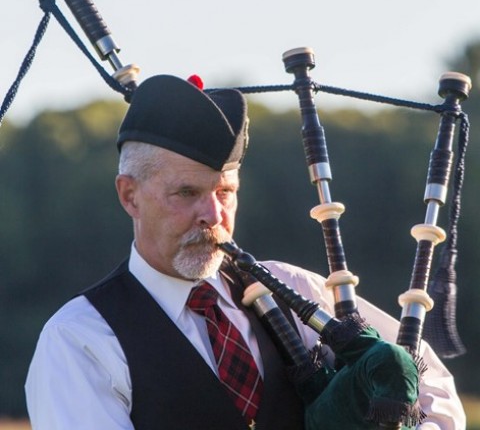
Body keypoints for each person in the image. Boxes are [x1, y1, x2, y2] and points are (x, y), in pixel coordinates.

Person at [25, 74, 466, 429]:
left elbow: (436, 391)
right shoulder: (80, 341)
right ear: (129, 196)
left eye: (225, 191)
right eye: (186, 192)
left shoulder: (295, 289)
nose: (212, 214)